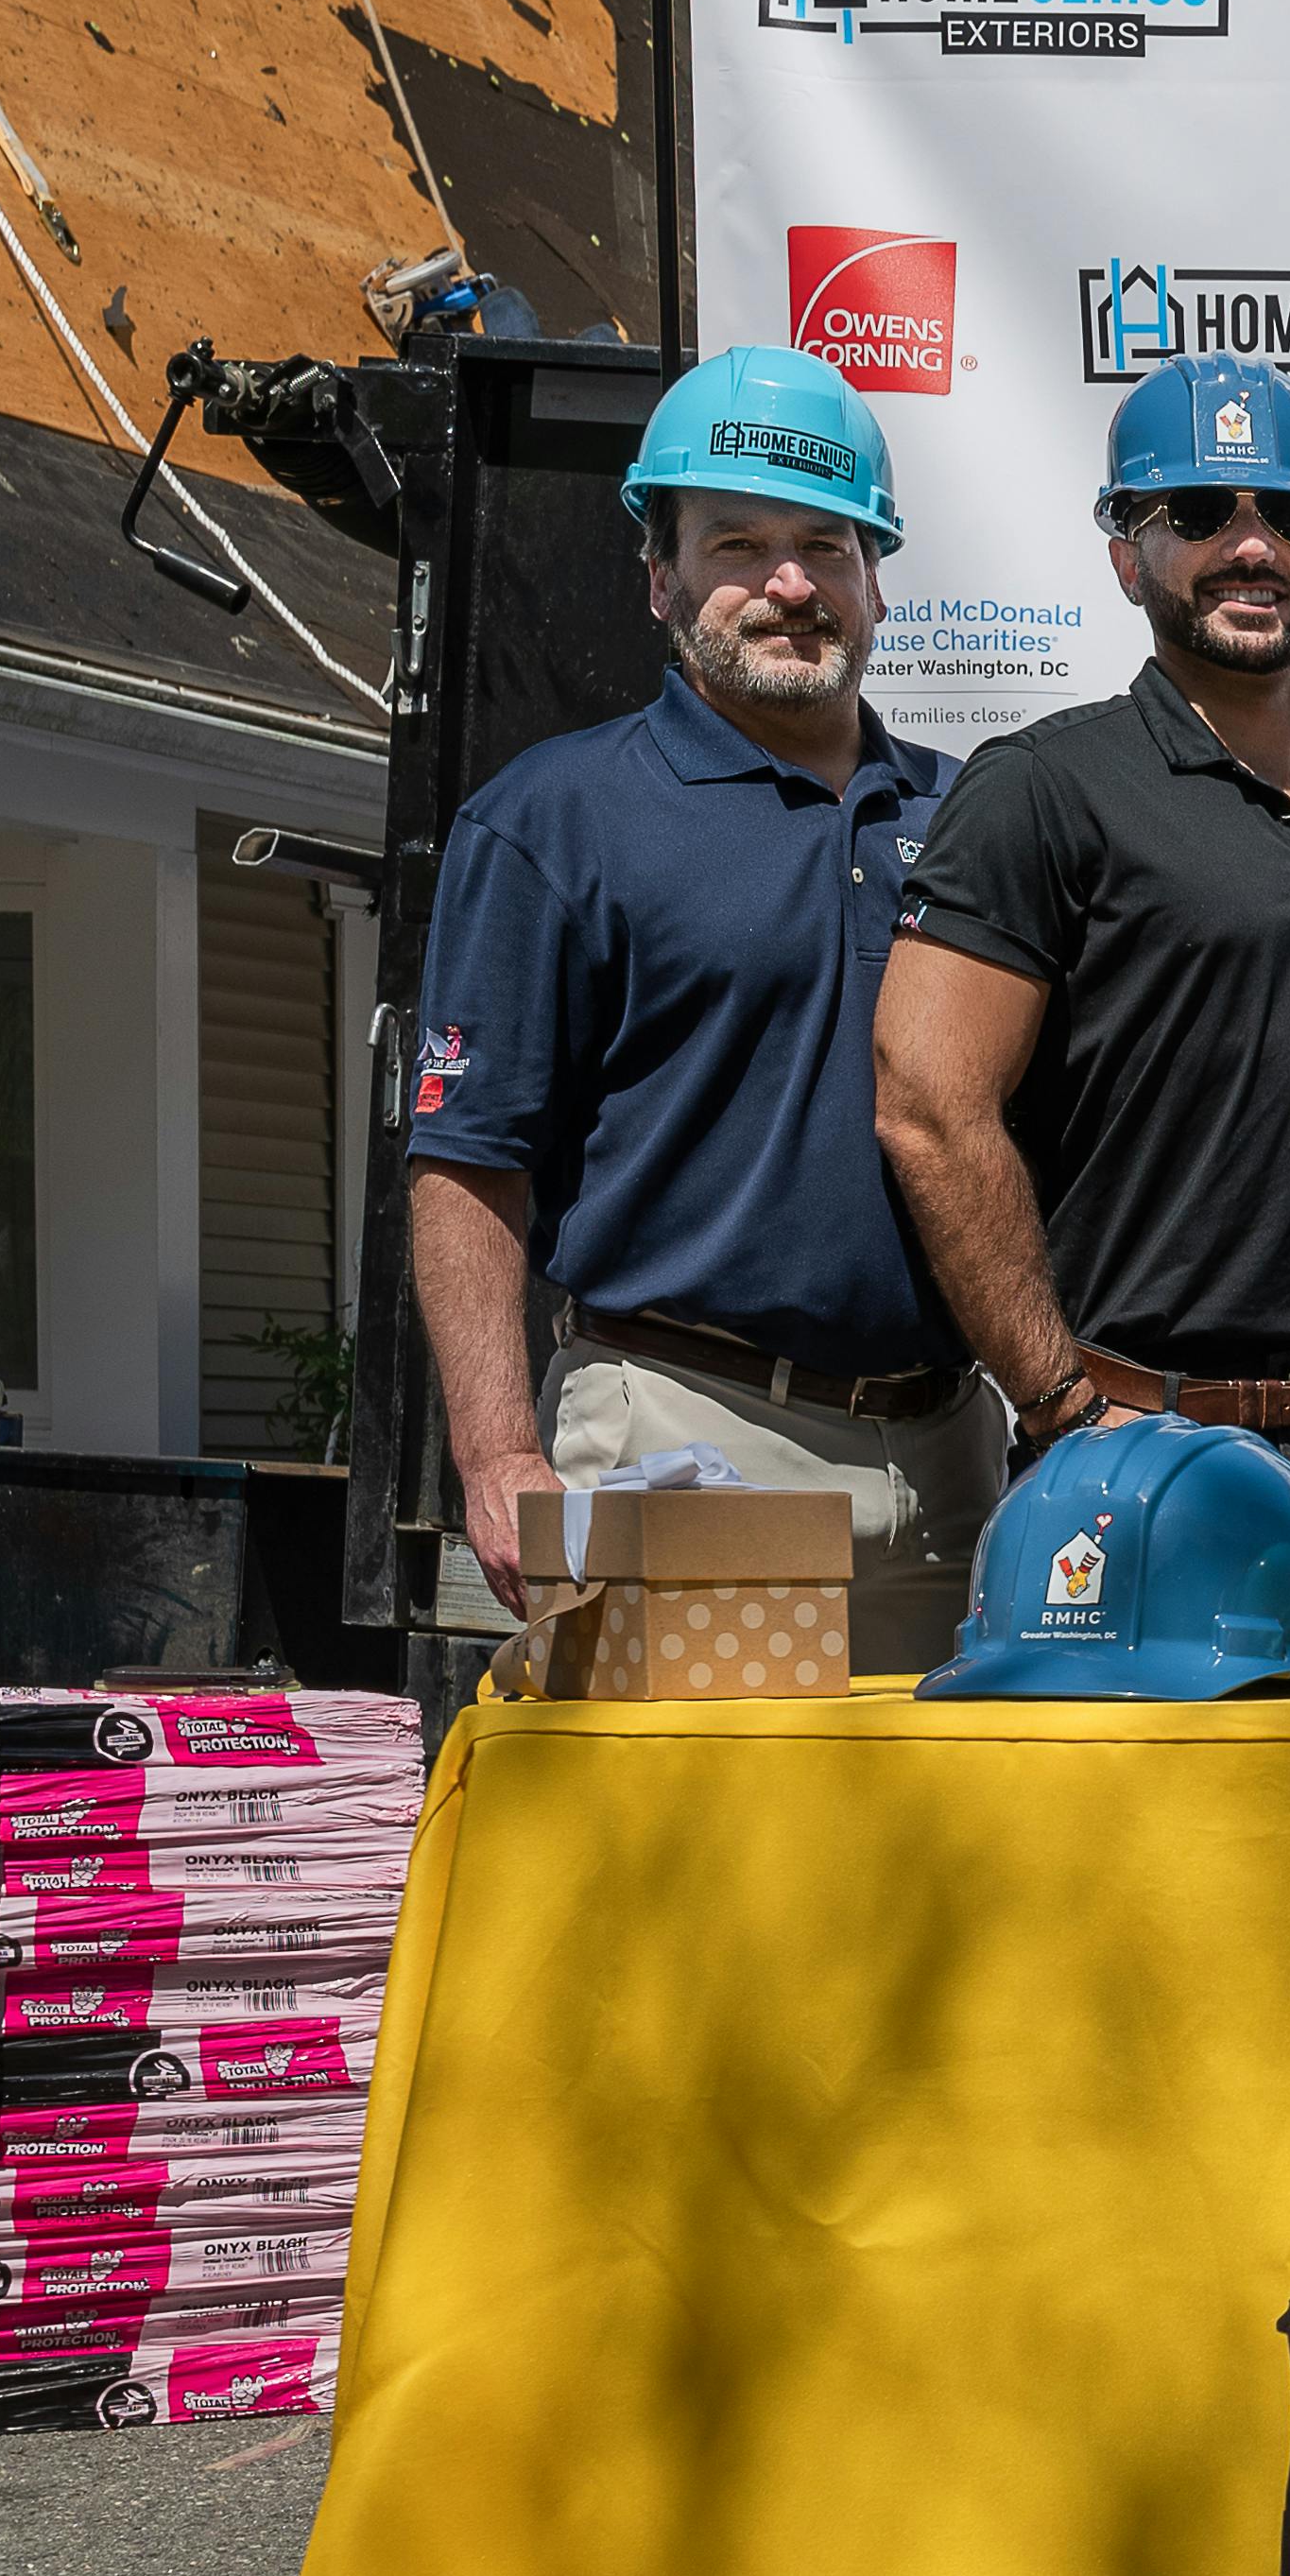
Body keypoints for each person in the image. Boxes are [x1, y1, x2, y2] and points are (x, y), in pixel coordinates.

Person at [873, 351, 1290, 1667]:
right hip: (1125, 1450)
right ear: (1123, 552)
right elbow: (927, 1107)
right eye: (1198, 513)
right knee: (1129, 1862)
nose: (1249, 546)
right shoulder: (1041, 788)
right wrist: (1058, 1403)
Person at [401, 346, 998, 1668]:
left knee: (928, 1878)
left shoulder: (970, 822)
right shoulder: (554, 818)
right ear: (659, 576)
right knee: (706, 1871)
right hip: (685, 1436)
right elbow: (466, 1161)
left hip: (956, 1457)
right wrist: (496, 1449)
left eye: (826, 546)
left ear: (875, 577)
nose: (789, 583)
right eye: (738, 544)